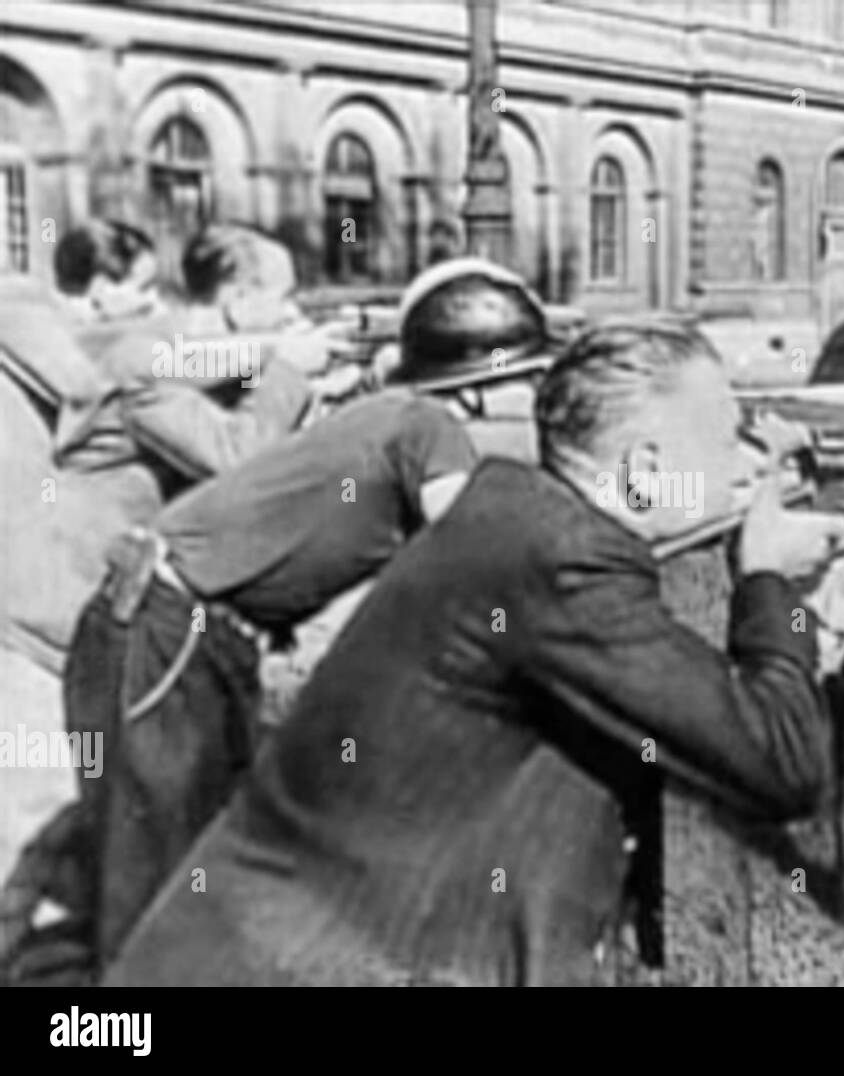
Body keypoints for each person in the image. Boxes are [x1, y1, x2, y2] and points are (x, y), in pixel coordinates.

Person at [102, 319, 844, 987]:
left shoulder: (514, 513)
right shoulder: (563, 564)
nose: (749, 464)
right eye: (730, 438)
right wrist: (763, 579)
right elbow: (780, 762)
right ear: (645, 471)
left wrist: (836, 600)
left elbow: (679, 693)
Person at [0, 258, 559, 985]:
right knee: (139, 883)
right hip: (103, 627)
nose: (293, 309)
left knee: (151, 865)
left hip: (157, 627)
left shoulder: (320, 397)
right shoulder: (156, 356)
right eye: (278, 293)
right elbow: (241, 457)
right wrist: (280, 367)